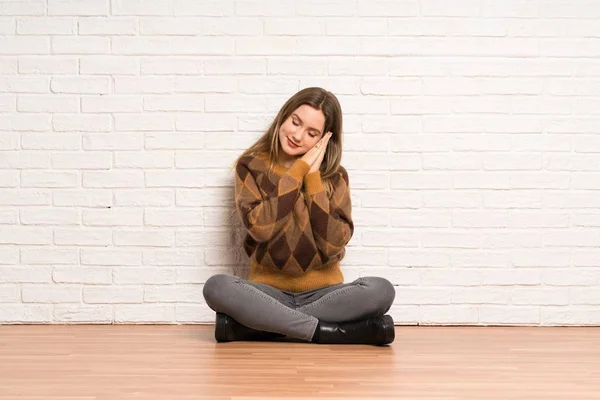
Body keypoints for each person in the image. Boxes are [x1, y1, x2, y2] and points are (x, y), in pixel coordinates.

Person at [202, 87, 396, 345]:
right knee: (217, 287)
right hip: (267, 294)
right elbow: (260, 228)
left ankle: (257, 327)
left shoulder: (336, 177)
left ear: (324, 140)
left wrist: (313, 178)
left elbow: (333, 244)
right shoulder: (251, 166)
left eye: (311, 133)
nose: (297, 135)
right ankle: (324, 332)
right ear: (284, 116)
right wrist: (299, 170)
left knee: (381, 290)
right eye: (295, 122)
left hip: (325, 295)